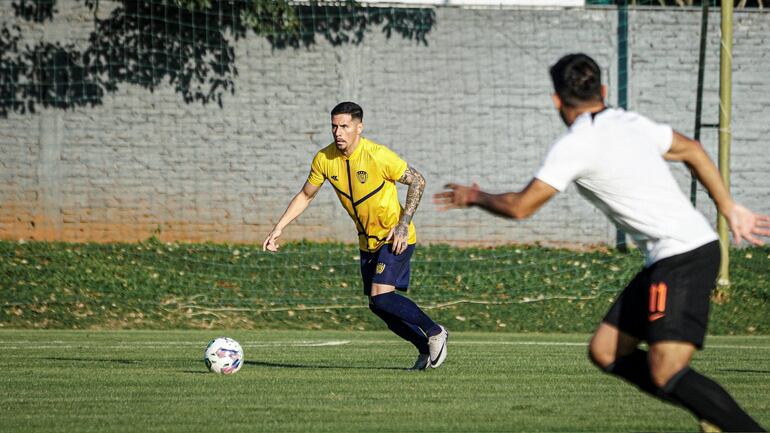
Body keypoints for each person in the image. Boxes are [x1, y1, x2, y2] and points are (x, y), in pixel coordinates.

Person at [434, 53, 769, 431]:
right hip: (672, 254)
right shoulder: (630, 121)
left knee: (667, 369)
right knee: (606, 350)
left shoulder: (576, 144)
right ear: (603, 90)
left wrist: (475, 197)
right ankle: (712, 413)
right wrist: (728, 206)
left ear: (556, 100)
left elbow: (520, 207)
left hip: (682, 254)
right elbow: (691, 147)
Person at [263, 101, 448, 371]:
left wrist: (403, 224)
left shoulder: (377, 155)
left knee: (383, 296)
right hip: (367, 242)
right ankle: (424, 350)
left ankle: (435, 332)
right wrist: (278, 228)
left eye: (345, 126)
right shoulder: (324, 159)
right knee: (377, 305)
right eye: (334, 126)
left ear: (359, 128)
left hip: (393, 236)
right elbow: (305, 195)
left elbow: (418, 180)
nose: (338, 132)